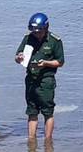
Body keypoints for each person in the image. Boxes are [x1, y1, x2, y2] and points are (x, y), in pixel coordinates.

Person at [15, 12, 64, 140]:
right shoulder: (28, 38)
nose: (36, 34)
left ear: (45, 28)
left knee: (48, 112)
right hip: (31, 79)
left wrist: (46, 63)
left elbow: (60, 62)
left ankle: (48, 141)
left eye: (39, 32)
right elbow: (17, 57)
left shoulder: (54, 41)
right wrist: (19, 58)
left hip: (46, 81)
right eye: (34, 32)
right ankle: (31, 140)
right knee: (32, 111)